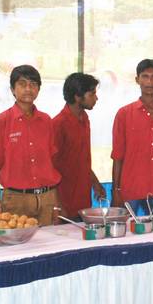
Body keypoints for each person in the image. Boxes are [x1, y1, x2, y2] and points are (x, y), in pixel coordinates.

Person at [0, 65, 62, 226]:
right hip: (16, 201)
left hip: (47, 198)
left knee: (49, 241)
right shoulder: (0, 123)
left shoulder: (46, 121)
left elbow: (52, 164)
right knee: (16, 242)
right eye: (22, 84)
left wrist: (56, 204)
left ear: (38, 89)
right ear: (13, 89)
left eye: (33, 84)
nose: (28, 89)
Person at [111, 59, 153, 215]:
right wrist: (116, 190)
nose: (149, 82)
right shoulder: (124, 114)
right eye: (145, 76)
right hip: (130, 189)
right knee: (127, 230)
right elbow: (118, 156)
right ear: (137, 79)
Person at [52, 72, 106, 220]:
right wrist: (57, 205)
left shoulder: (84, 119)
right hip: (64, 204)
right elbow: (50, 169)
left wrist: (95, 183)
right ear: (77, 97)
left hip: (83, 202)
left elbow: (81, 159)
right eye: (92, 94)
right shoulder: (58, 124)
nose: (96, 98)